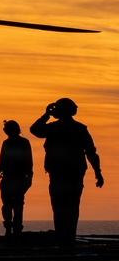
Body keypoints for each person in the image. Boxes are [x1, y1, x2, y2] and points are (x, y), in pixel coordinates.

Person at [29, 98, 104, 245]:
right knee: (72, 206)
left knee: (59, 207)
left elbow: (35, 130)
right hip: (73, 174)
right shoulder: (80, 129)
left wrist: (46, 115)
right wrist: (98, 172)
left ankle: (63, 237)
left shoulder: (53, 128)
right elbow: (91, 153)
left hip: (59, 174)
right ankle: (68, 237)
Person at [0, 120, 33, 239]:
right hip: (11, 179)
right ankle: (12, 229)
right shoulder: (10, 143)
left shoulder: (19, 143)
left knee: (13, 205)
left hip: (16, 179)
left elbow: (28, 161)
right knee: (12, 205)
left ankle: (13, 229)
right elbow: (2, 163)